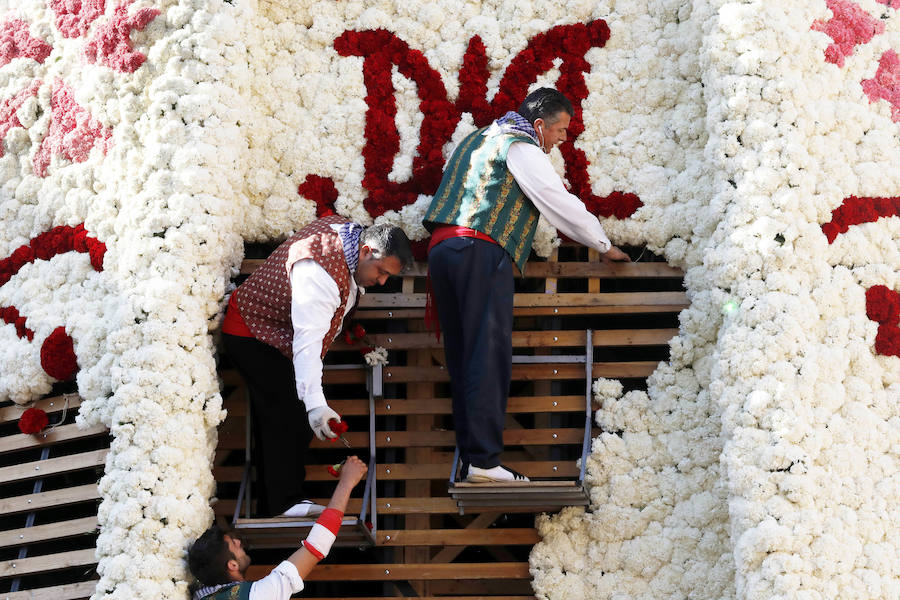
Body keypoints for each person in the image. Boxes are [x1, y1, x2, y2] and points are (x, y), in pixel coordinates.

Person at [423, 87, 630, 483]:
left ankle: (472, 461)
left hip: (442, 251)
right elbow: (556, 200)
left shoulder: (477, 138)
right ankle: (483, 462)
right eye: (561, 131)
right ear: (539, 125)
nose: (562, 140)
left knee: (465, 357)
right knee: (487, 354)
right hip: (478, 251)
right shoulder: (520, 146)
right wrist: (603, 245)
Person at [222, 215, 413, 517]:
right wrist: (316, 405)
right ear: (366, 251)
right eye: (381, 272)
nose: (381, 281)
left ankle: (279, 502)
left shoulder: (348, 238)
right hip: (251, 332)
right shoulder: (320, 272)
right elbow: (307, 344)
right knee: (289, 413)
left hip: (276, 337)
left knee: (286, 415)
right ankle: (283, 504)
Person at [188, 456, 368, 600]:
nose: (238, 540)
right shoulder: (258, 595)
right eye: (232, 544)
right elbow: (317, 545)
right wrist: (347, 482)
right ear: (232, 565)